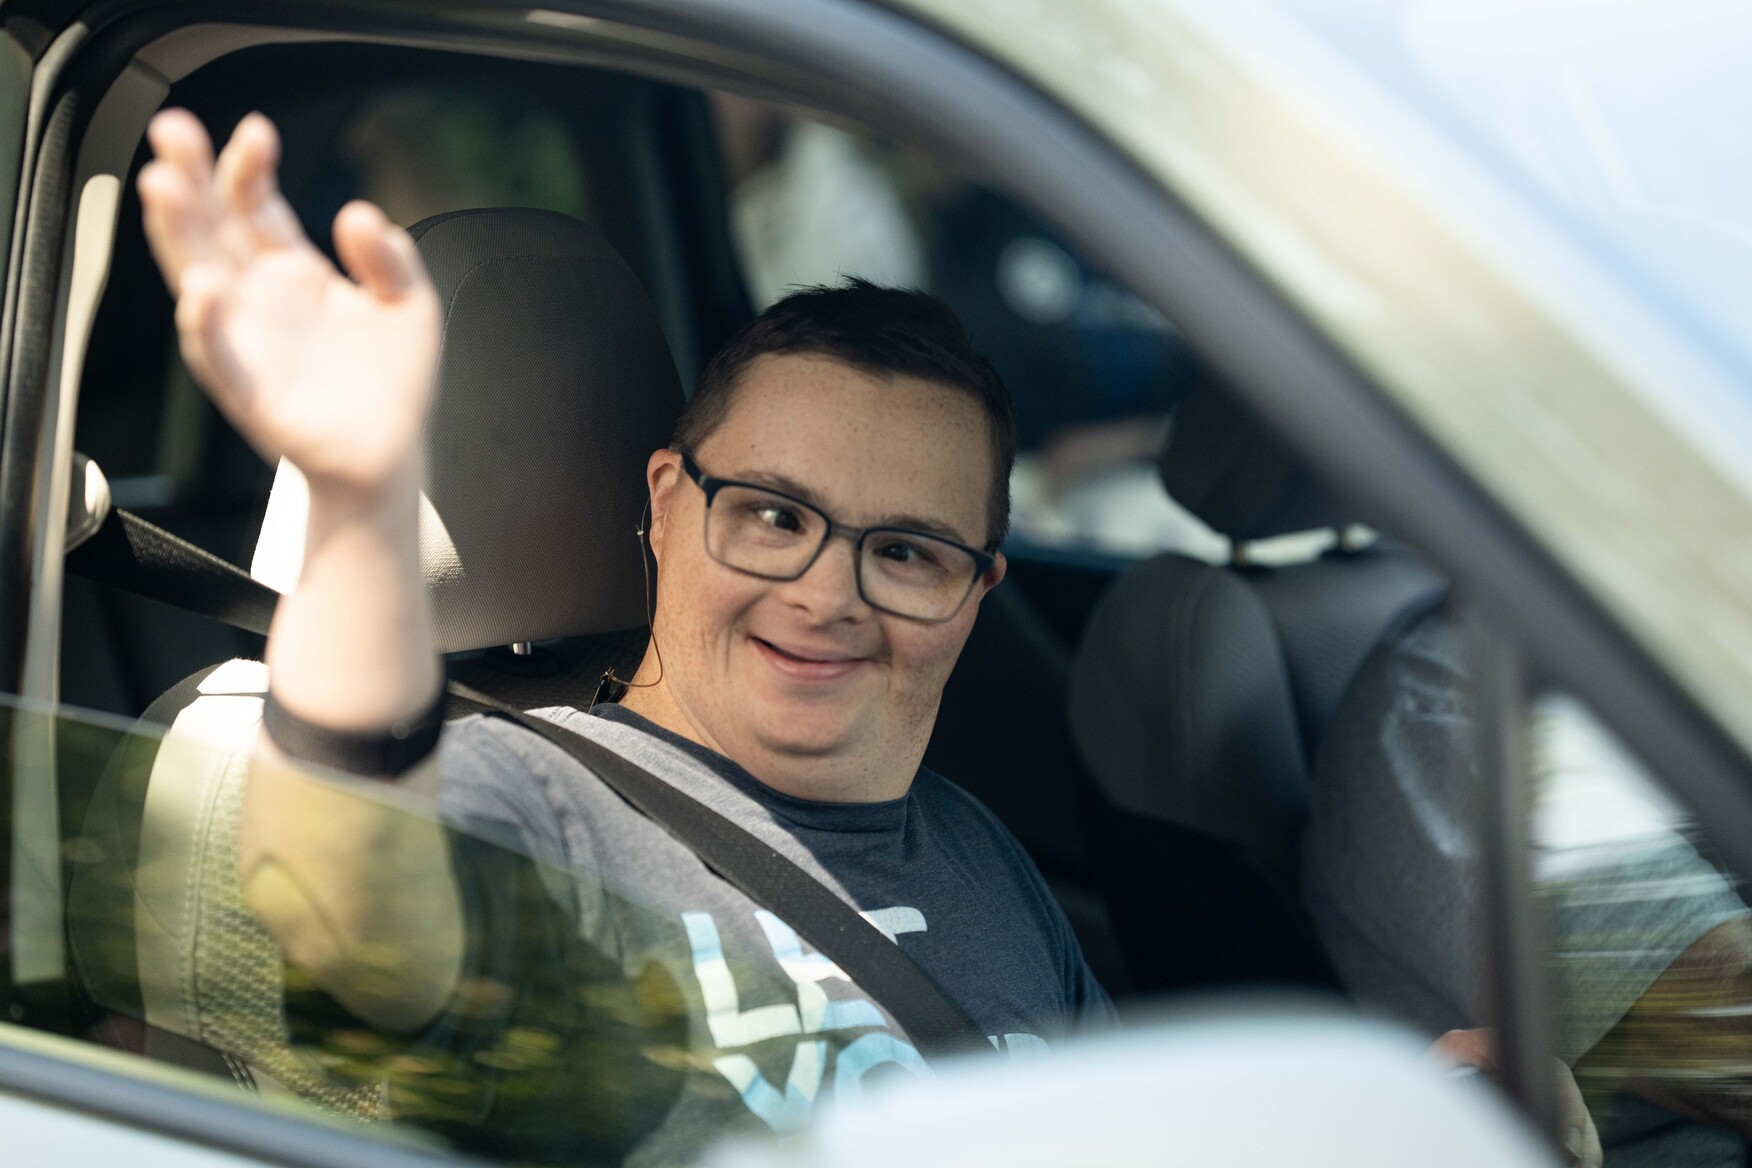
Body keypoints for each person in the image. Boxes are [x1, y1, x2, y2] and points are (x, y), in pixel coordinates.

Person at [136, 108, 1111, 1164]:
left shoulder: (977, 849)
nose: (829, 594)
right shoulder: (530, 797)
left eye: (909, 552)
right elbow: (342, 913)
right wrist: (361, 499)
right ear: (665, 504)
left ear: (976, 592)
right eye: (774, 516)